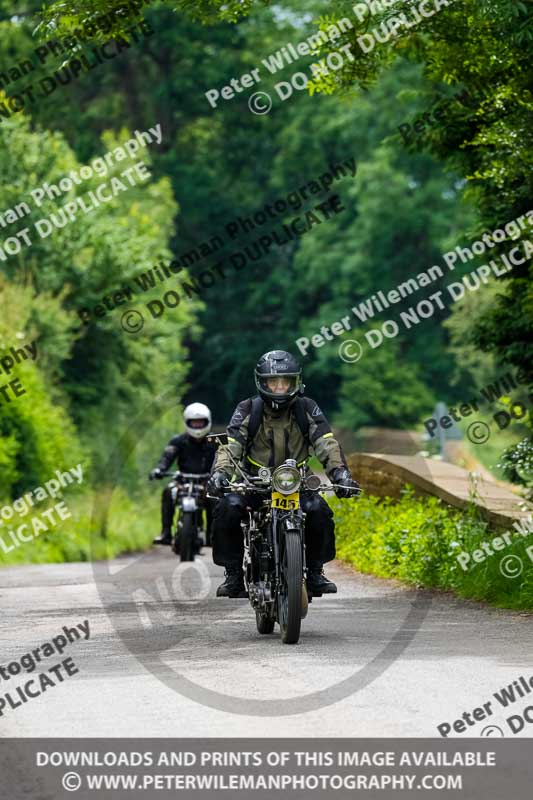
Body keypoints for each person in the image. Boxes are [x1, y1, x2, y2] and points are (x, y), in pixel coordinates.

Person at [208, 350, 359, 598]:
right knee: (227, 508)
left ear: (295, 382)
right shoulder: (248, 408)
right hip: (254, 483)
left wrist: (341, 475)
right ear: (262, 382)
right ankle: (234, 573)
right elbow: (232, 445)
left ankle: (315, 572)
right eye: (273, 382)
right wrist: (220, 475)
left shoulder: (307, 407)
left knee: (319, 511)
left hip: (296, 482)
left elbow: (325, 443)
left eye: (285, 382)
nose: (279, 388)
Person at [150, 403, 217, 546]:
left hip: (208, 481)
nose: (197, 426)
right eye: (194, 422)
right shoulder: (178, 441)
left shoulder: (215, 441)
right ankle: (166, 533)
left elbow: (226, 459)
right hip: (183, 480)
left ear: (207, 422)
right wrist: (159, 469)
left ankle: (212, 535)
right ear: (187, 422)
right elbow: (167, 457)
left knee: (215, 498)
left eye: (200, 422)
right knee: (168, 491)